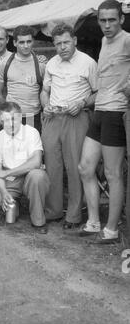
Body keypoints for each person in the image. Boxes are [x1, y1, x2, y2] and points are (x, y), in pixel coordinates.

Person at [78, 0, 130, 244]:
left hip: (115, 113)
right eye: (103, 20)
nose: (107, 25)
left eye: (112, 19)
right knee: (86, 168)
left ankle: (111, 230)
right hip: (99, 110)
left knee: (113, 173)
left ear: (121, 19)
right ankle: (93, 222)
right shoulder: (103, 41)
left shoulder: (127, 39)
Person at [40, 23, 97, 231]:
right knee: (52, 165)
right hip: (53, 117)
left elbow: (98, 93)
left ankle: (74, 214)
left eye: (65, 42)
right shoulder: (51, 64)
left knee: (74, 167)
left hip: (76, 118)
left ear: (74, 40)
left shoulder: (88, 63)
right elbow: (44, 91)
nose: (62, 47)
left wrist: (82, 103)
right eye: (58, 44)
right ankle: (53, 211)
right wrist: (45, 105)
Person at [0, 102, 50, 234]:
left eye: (13, 118)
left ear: (20, 117)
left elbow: (36, 162)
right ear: (0, 121)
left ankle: (38, 221)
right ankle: (13, 204)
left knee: (37, 175)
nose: (10, 124)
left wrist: (7, 172)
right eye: (5, 120)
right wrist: (4, 192)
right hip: (10, 180)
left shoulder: (32, 132)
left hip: (29, 176)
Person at [0, 25, 47, 132]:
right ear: (14, 43)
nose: (26, 46)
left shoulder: (41, 64)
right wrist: (8, 111)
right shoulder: (4, 64)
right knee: (9, 147)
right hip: (11, 117)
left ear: (33, 42)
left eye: (29, 41)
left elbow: (46, 91)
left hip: (34, 116)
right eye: (22, 42)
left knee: (32, 148)